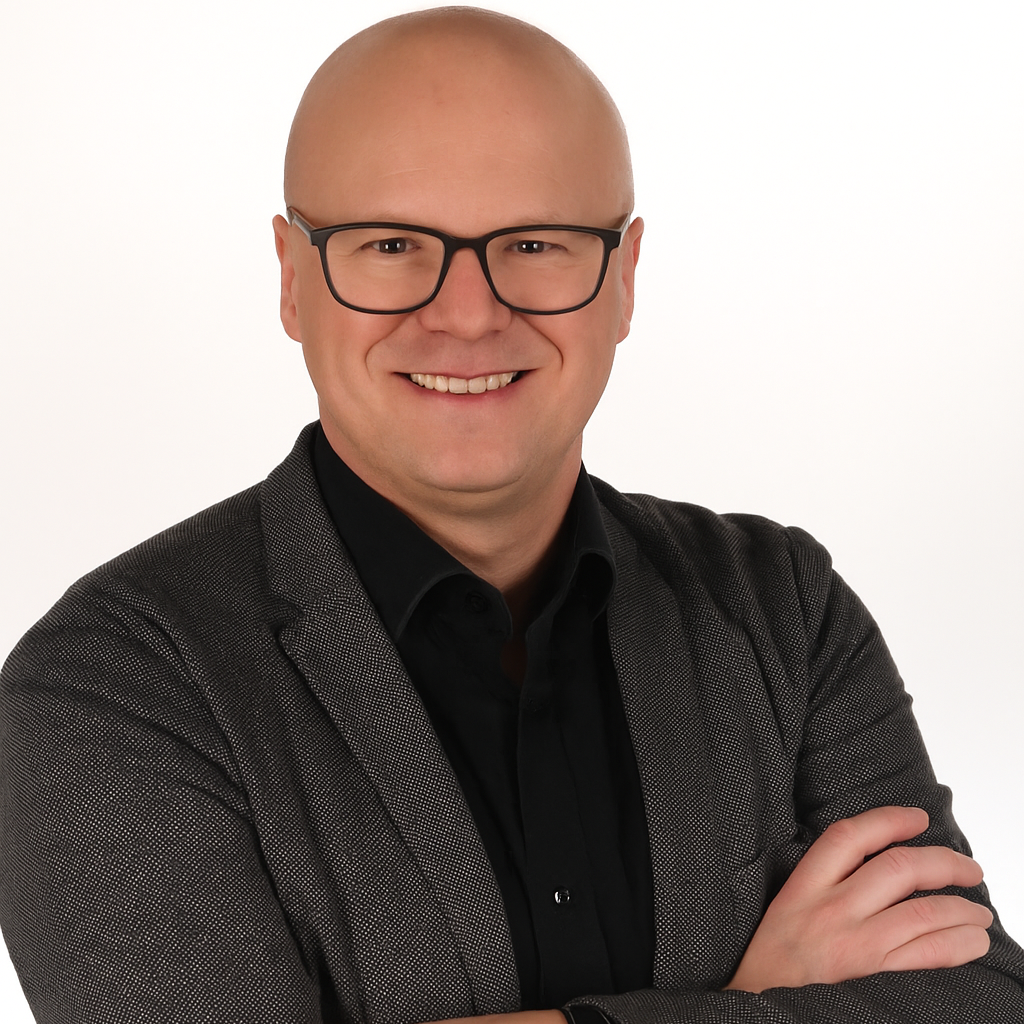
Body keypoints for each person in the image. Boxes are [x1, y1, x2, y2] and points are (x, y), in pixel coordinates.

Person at [1, 6, 1022, 1023]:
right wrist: (750, 1002)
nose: (468, 313)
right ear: (292, 280)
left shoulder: (781, 610)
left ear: (624, 279)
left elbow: (978, 999)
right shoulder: (113, 686)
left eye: (535, 242)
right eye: (391, 244)